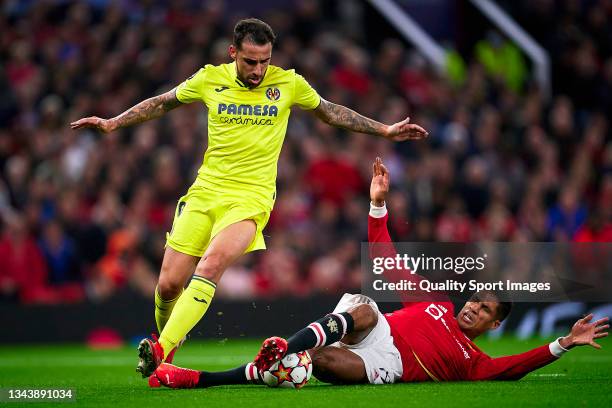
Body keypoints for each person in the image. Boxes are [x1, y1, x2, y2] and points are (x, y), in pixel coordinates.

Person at [70, 19, 428, 378]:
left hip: (250, 200)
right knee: (167, 285)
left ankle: (160, 349)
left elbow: (331, 111)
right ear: (233, 54)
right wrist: (114, 122)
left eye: (265, 61)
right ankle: (168, 349)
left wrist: (384, 129)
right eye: (250, 61)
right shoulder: (210, 78)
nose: (259, 70)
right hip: (204, 193)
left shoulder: (288, 83)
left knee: (209, 266)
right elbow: (163, 103)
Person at [150, 157, 609, 388]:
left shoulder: (474, 364)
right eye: (475, 300)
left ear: (495, 323)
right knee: (366, 303)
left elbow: (513, 368)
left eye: (484, 310)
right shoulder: (436, 305)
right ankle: (282, 351)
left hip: (383, 363)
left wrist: (563, 344)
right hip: (374, 328)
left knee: (315, 364)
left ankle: (203, 378)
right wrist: (377, 204)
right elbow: (387, 261)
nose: (472, 308)